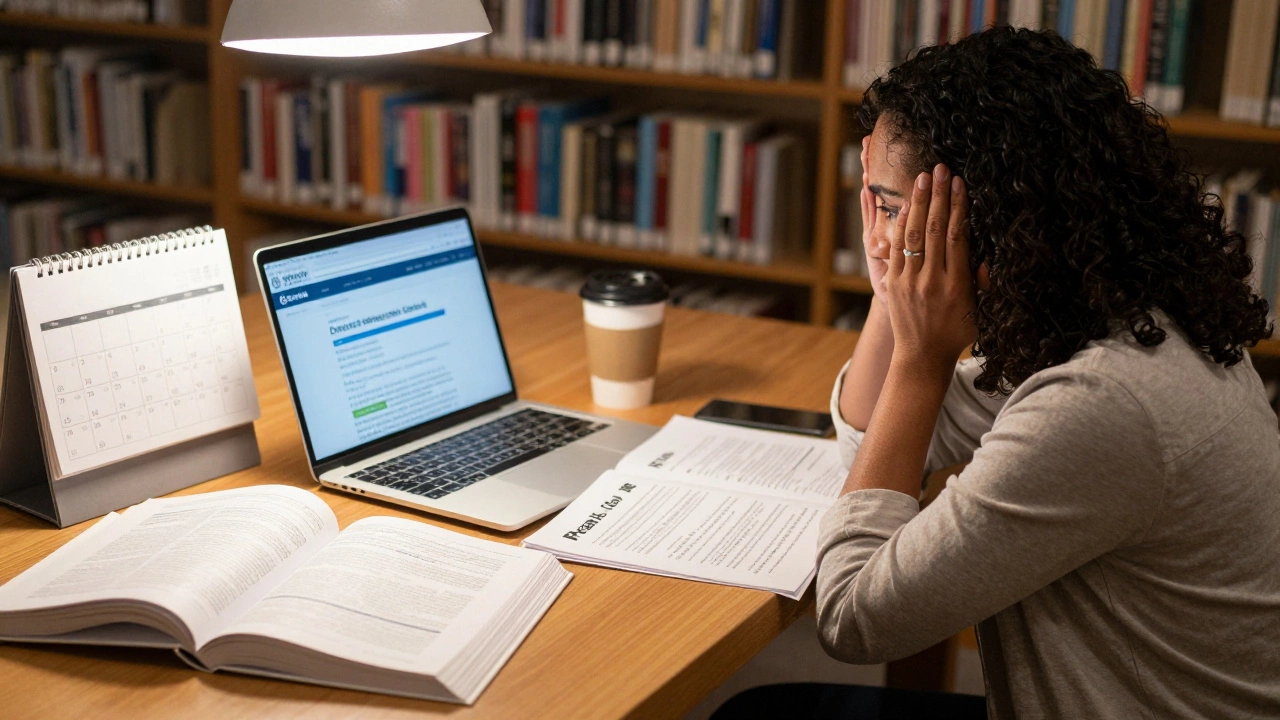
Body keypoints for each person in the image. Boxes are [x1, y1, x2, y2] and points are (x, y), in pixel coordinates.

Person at [809, 25, 1280, 719]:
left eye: (887, 207)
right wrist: (893, 284)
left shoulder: (1102, 401)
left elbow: (850, 616)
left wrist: (921, 356)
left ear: (984, 220)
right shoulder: (1128, 315)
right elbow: (879, 446)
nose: (875, 233)